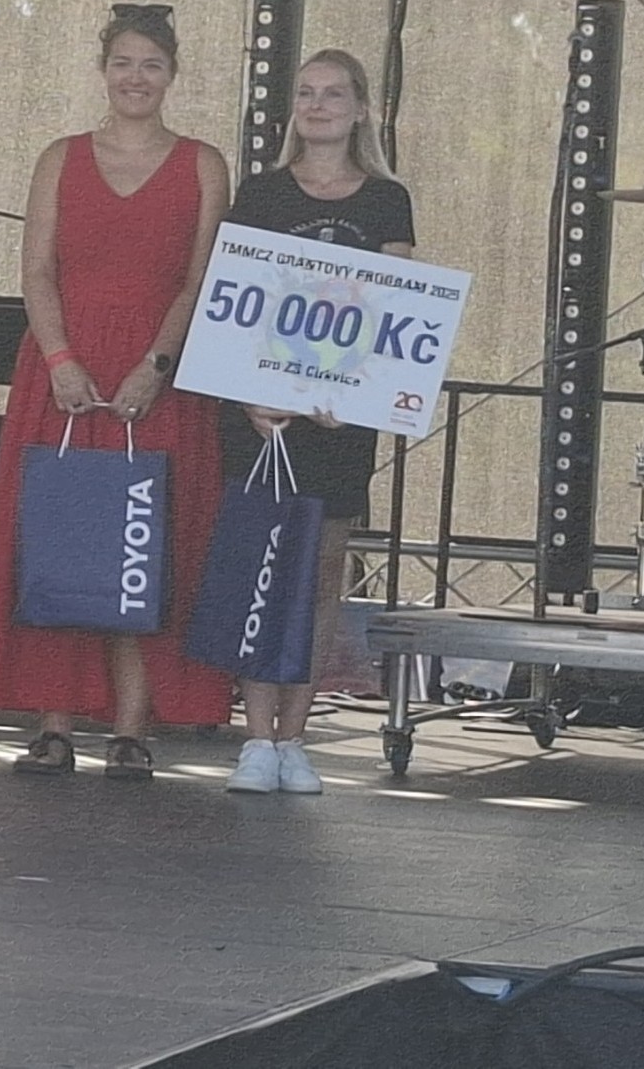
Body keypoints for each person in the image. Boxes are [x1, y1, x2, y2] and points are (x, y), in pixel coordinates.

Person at [0, 3, 232, 780]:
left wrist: (157, 363)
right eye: (122, 62)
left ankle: (131, 727)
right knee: (62, 537)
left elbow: (199, 279)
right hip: (65, 372)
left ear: (172, 74)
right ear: (103, 70)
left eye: (151, 64)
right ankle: (52, 721)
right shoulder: (60, 157)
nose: (135, 77)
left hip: (158, 379)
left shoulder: (203, 164)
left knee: (146, 545)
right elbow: (36, 270)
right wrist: (58, 359)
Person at [221, 48, 415, 795]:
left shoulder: (386, 200)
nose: (318, 104)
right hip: (265, 417)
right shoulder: (261, 193)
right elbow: (233, 299)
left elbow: (393, 309)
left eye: (333, 93)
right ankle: (255, 737)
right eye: (306, 92)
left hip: (338, 418)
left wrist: (358, 393)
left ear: (361, 108)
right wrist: (249, 396)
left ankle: (294, 737)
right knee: (262, 569)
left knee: (323, 572)